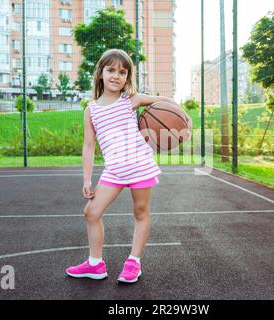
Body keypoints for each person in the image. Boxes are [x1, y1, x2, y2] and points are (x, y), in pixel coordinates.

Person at [65, 49, 192, 284]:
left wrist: (186, 119)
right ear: (101, 73)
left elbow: (165, 103)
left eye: (122, 72)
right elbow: (89, 146)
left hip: (140, 166)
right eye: (111, 70)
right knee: (91, 212)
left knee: (140, 213)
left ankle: (134, 262)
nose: (116, 76)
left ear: (128, 77)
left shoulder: (130, 100)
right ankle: (95, 264)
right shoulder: (90, 110)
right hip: (114, 170)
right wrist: (86, 179)